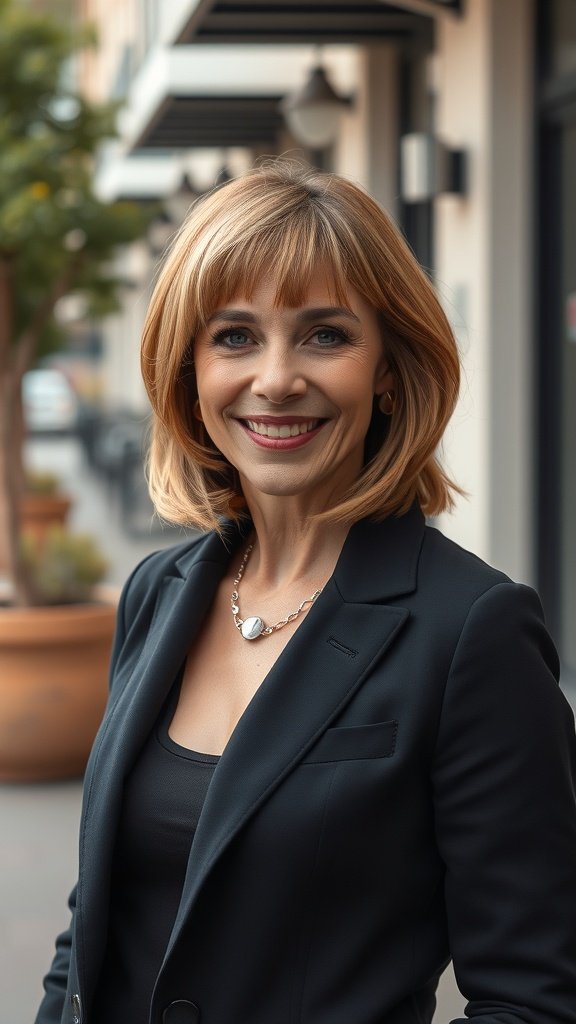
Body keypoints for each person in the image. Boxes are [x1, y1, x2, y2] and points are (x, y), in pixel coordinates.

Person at [36, 161, 576, 1024]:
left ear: (390, 370)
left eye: (325, 335)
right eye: (236, 336)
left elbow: (534, 998)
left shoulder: (472, 632)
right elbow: (93, 920)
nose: (277, 378)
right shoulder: (157, 592)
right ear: (189, 373)